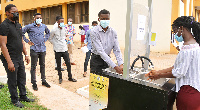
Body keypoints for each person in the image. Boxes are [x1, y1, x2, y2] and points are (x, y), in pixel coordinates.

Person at [145, 16, 200, 110]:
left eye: (175, 31)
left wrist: (159, 76)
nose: (175, 34)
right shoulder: (194, 45)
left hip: (187, 94)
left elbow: (179, 72)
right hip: (195, 92)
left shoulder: (187, 48)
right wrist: (158, 72)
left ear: (181, 28)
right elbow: (176, 66)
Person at [0, 4, 34, 108]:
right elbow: (3, 44)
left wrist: (26, 54)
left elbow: (21, 41)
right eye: (13, 12)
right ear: (7, 13)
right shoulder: (4, 25)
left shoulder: (18, 25)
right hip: (10, 57)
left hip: (19, 56)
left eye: (17, 12)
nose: (16, 14)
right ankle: (14, 100)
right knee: (12, 79)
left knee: (21, 77)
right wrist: (9, 61)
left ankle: (23, 96)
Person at [22, 13, 51, 91]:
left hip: (42, 49)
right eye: (37, 18)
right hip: (34, 49)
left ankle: (43, 81)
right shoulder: (29, 26)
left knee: (42, 65)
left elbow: (48, 33)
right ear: (34, 18)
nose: (39, 19)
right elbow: (21, 33)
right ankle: (34, 83)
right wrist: (27, 41)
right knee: (33, 67)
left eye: (40, 18)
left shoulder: (43, 26)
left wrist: (45, 39)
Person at [90, 9, 123, 74]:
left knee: (106, 80)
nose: (105, 21)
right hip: (97, 60)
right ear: (99, 19)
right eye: (103, 19)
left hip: (107, 59)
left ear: (109, 19)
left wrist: (121, 64)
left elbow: (117, 49)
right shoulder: (94, 32)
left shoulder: (113, 32)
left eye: (107, 19)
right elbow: (100, 51)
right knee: (96, 81)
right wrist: (115, 67)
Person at [49, 16, 77, 84]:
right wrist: (55, 44)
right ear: (57, 22)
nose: (62, 23)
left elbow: (65, 36)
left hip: (64, 49)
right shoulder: (54, 30)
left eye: (63, 21)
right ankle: (60, 78)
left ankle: (70, 77)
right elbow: (50, 38)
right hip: (57, 49)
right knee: (59, 65)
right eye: (61, 21)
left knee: (68, 63)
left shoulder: (64, 29)